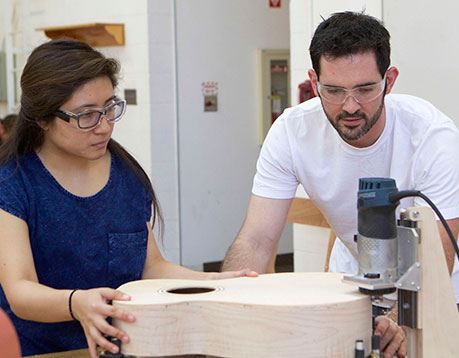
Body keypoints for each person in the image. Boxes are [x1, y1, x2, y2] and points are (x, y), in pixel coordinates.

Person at [222, 11, 459, 358]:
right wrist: (229, 308)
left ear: (389, 81)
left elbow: (437, 258)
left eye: (365, 89)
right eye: (333, 90)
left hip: (439, 288)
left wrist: (400, 319)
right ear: (314, 82)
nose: (350, 106)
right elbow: (256, 240)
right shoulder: (292, 132)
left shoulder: (432, 137)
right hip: (356, 284)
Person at [0, 39, 256, 358]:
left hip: (125, 347)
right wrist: (75, 303)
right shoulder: (14, 182)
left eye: (109, 108)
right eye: (86, 116)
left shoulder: (127, 176)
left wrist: (214, 281)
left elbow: (150, 267)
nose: (104, 126)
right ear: (42, 118)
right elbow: (20, 292)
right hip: (42, 351)